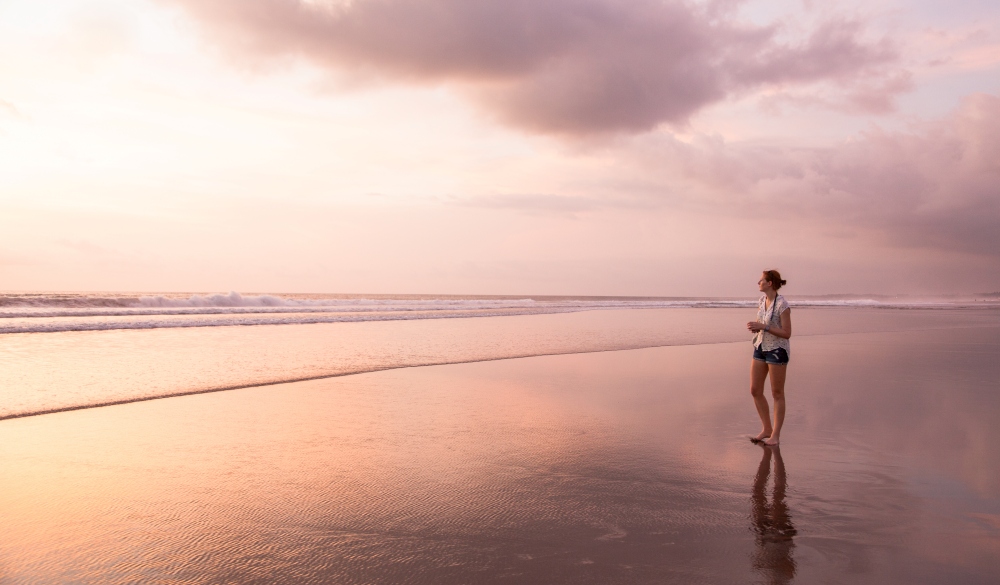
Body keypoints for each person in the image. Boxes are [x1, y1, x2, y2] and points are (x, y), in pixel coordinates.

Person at [747, 270, 791, 446]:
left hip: (777, 350)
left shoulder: (782, 304)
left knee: (777, 393)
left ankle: (776, 435)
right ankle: (766, 429)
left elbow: (787, 333)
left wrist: (763, 327)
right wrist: (756, 328)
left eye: (761, 280)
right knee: (755, 390)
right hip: (760, 347)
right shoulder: (761, 301)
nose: (758, 282)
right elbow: (764, 325)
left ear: (770, 283)